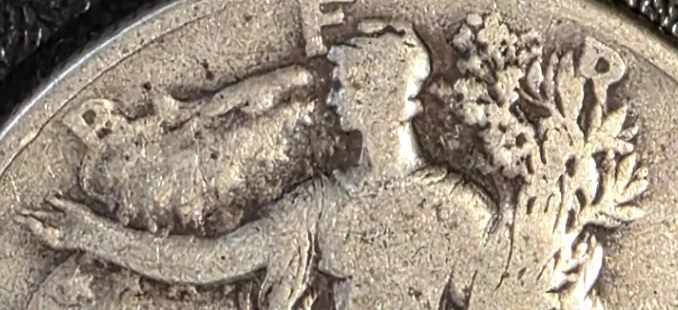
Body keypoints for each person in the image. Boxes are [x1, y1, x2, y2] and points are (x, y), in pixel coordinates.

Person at [25, 21, 495, 310]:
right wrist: (92, 235)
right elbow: (215, 260)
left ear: (379, 95)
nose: (335, 97)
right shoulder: (321, 206)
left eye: (347, 85)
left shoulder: (460, 210)